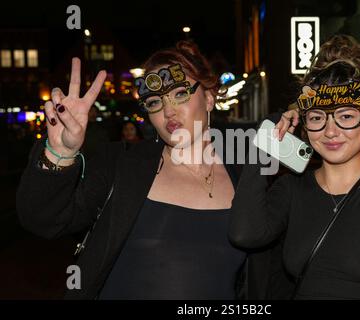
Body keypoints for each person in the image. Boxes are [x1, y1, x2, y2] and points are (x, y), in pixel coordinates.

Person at [16, 41, 246, 299]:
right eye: (155, 102)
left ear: (209, 98)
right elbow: (42, 219)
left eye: (180, 94)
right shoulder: (121, 166)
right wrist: (60, 152)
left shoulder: (246, 177)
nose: (168, 111)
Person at [229, 35, 360, 299]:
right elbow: (245, 234)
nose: (330, 131)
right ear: (304, 123)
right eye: (317, 118)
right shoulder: (292, 189)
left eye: (346, 116)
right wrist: (265, 137)